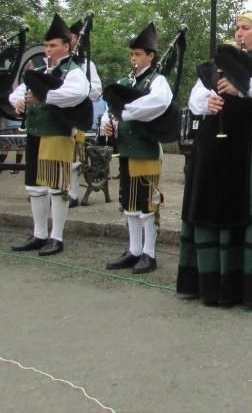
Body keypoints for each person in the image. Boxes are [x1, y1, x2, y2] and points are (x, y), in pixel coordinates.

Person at [177, 12, 252, 306]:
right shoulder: (220, 63)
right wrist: (208, 102)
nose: (239, 33)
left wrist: (243, 87)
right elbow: (195, 98)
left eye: (246, 28)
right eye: (237, 28)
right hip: (216, 153)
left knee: (251, 210)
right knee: (214, 209)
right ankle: (213, 282)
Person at [9, 14, 90, 257]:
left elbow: (77, 94)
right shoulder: (42, 71)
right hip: (35, 132)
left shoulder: (73, 71)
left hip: (57, 133)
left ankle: (57, 237)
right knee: (34, 186)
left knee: (56, 187)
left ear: (67, 46)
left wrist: (44, 97)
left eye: (53, 45)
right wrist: (19, 103)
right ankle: (39, 233)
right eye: (46, 45)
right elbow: (18, 93)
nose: (48, 49)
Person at [101, 22, 172, 274]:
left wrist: (125, 112)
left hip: (146, 149)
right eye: (132, 54)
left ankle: (149, 254)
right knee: (129, 201)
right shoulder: (124, 80)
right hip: (126, 149)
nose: (134, 58)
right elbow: (110, 108)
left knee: (147, 202)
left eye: (138, 54)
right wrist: (106, 124)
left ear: (150, 56)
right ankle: (133, 250)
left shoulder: (158, 80)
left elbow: (158, 104)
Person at [67, 18, 103, 207]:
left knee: (74, 158)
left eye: (73, 38)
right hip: (57, 118)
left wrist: (80, 92)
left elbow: (96, 90)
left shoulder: (86, 65)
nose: (71, 41)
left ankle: (72, 194)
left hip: (76, 115)